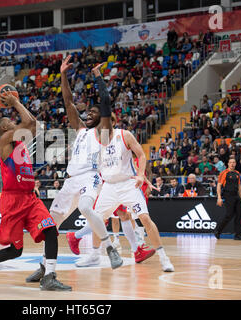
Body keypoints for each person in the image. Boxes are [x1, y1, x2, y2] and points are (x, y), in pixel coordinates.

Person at [26, 56, 123, 281]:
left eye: (94, 112)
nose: (89, 113)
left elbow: (106, 103)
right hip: (71, 180)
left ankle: (110, 249)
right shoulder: (80, 129)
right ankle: (45, 268)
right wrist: (62, 74)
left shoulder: (104, 132)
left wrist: (98, 76)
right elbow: (68, 101)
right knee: (50, 223)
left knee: (87, 208)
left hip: (91, 177)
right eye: (88, 112)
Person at [72, 61, 174, 272]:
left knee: (144, 218)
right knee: (95, 218)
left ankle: (164, 257)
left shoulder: (124, 135)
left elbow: (142, 155)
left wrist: (140, 175)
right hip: (108, 186)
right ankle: (93, 254)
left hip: (128, 184)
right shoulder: (94, 139)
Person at [0, 91, 71, 291]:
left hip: (29, 198)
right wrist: (15, 102)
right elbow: (31, 124)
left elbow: (34, 126)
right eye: (11, 121)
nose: (16, 123)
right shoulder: (6, 139)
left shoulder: (20, 143)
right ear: (6, 127)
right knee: (16, 250)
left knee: (50, 230)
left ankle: (49, 276)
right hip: (12, 200)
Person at [215, 158, 241, 240]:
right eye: (230, 162)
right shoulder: (224, 173)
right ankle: (218, 231)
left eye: (234, 162)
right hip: (228, 195)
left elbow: (239, 186)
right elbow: (219, 185)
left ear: (235, 164)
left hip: (237, 195)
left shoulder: (237, 173)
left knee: (240, 215)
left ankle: (237, 235)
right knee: (229, 215)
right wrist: (219, 197)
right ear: (228, 164)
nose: (232, 164)